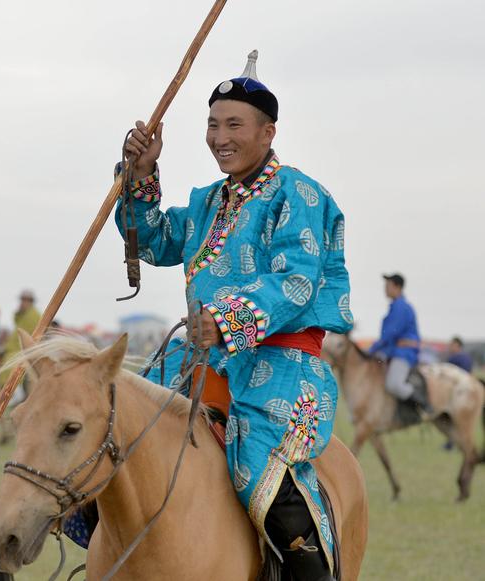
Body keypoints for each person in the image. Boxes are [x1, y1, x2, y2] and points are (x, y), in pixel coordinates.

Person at [114, 51, 349, 580]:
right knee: (119, 430)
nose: (220, 137)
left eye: (234, 125)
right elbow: (152, 241)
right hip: (195, 361)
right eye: (213, 124)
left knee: (255, 467)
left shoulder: (300, 194)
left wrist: (225, 321)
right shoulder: (206, 202)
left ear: (268, 132)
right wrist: (141, 174)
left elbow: (296, 282)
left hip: (279, 367)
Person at [368, 273, 430, 412]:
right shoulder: (396, 306)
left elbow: (390, 333)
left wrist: (371, 350)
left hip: (403, 353)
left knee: (393, 384)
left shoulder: (400, 307)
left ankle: (421, 403)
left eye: (388, 285)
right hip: (395, 351)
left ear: (397, 287)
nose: (385, 288)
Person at [0, 290, 41, 393]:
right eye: (22, 300)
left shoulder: (33, 316)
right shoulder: (25, 315)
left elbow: (33, 338)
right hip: (14, 349)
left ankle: (15, 392)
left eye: (25, 300)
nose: (22, 302)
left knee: (11, 367)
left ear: (31, 301)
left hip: (22, 351)